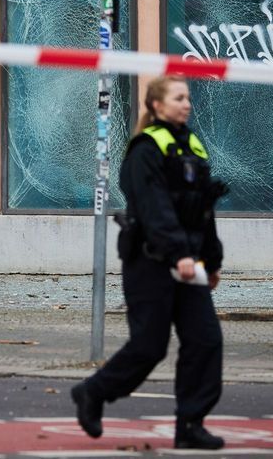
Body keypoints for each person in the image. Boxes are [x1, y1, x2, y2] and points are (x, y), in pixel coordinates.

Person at [71, 75, 227, 450]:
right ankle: (92, 392)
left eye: (188, 97)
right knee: (149, 346)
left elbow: (202, 209)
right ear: (157, 105)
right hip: (151, 263)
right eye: (178, 98)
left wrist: (211, 258)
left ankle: (190, 424)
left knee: (206, 341)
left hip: (188, 263)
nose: (187, 104)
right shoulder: (145, 149)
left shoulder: (191, 145)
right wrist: (181, 254)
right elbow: (156, 209)